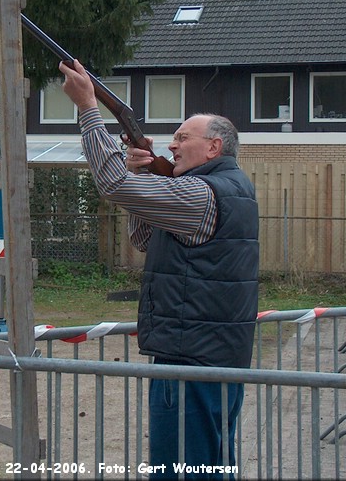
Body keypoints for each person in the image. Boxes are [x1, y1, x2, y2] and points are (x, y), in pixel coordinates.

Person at [59, 59, 258, 479]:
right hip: (212, 353)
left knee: (180, 468)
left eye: (183, 138)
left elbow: (112, 186)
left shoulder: (203, 192)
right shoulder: (229, 186)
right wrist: (142, 174)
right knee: (212, 465)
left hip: (191, 359)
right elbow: (146, 239)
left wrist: (88, 110)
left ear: (214, 147)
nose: (172, 145)